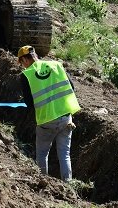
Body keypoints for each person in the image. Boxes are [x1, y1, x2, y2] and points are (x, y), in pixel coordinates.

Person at [17, 44, 80, 181]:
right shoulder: (56, 65)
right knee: (64, 154)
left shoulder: (27, 75)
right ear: (35, 55)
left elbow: (29, 103)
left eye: (22, 63)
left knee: (42, 154)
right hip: (65, 117)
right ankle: (68, 185)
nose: (23, 66)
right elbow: (72, 87)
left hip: (46, 120)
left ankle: (43, 183)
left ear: (25, 60)